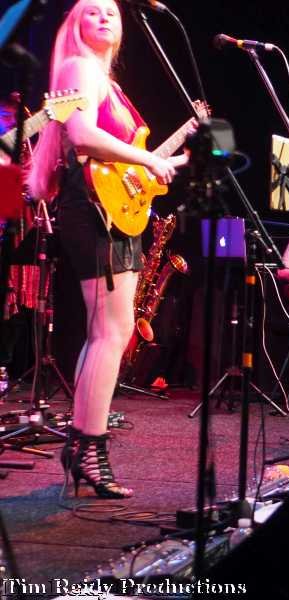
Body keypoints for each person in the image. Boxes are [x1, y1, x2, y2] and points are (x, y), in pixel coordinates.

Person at [26, 0, 191, 498]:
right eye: (92, 11)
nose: (103, 18)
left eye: (111, 13)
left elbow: (110, 153)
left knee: (107, 335)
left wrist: (163, 163)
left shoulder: (103, 80)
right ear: (75, 24)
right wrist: (147, 159)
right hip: (94, 208)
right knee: (110, 334)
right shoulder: (78, 67)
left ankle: (84, 444)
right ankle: (87, 449)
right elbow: (81, 136)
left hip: (109, 206)